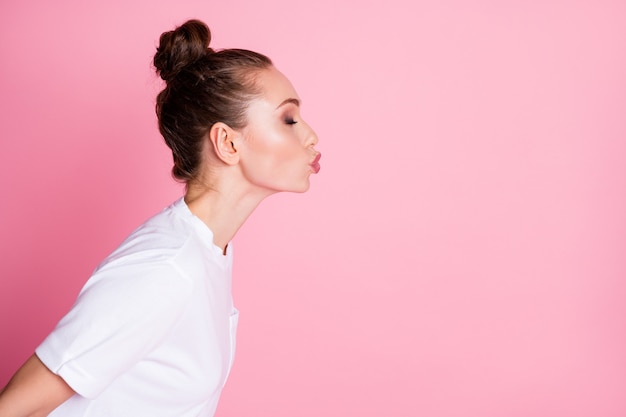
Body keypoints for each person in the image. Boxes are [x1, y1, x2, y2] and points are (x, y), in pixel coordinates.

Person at [0, 18, 320, 417]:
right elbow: (13, 408)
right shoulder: (165, 268)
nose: (311, 136)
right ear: (228, 142)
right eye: (288, 119)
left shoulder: (209, 251)